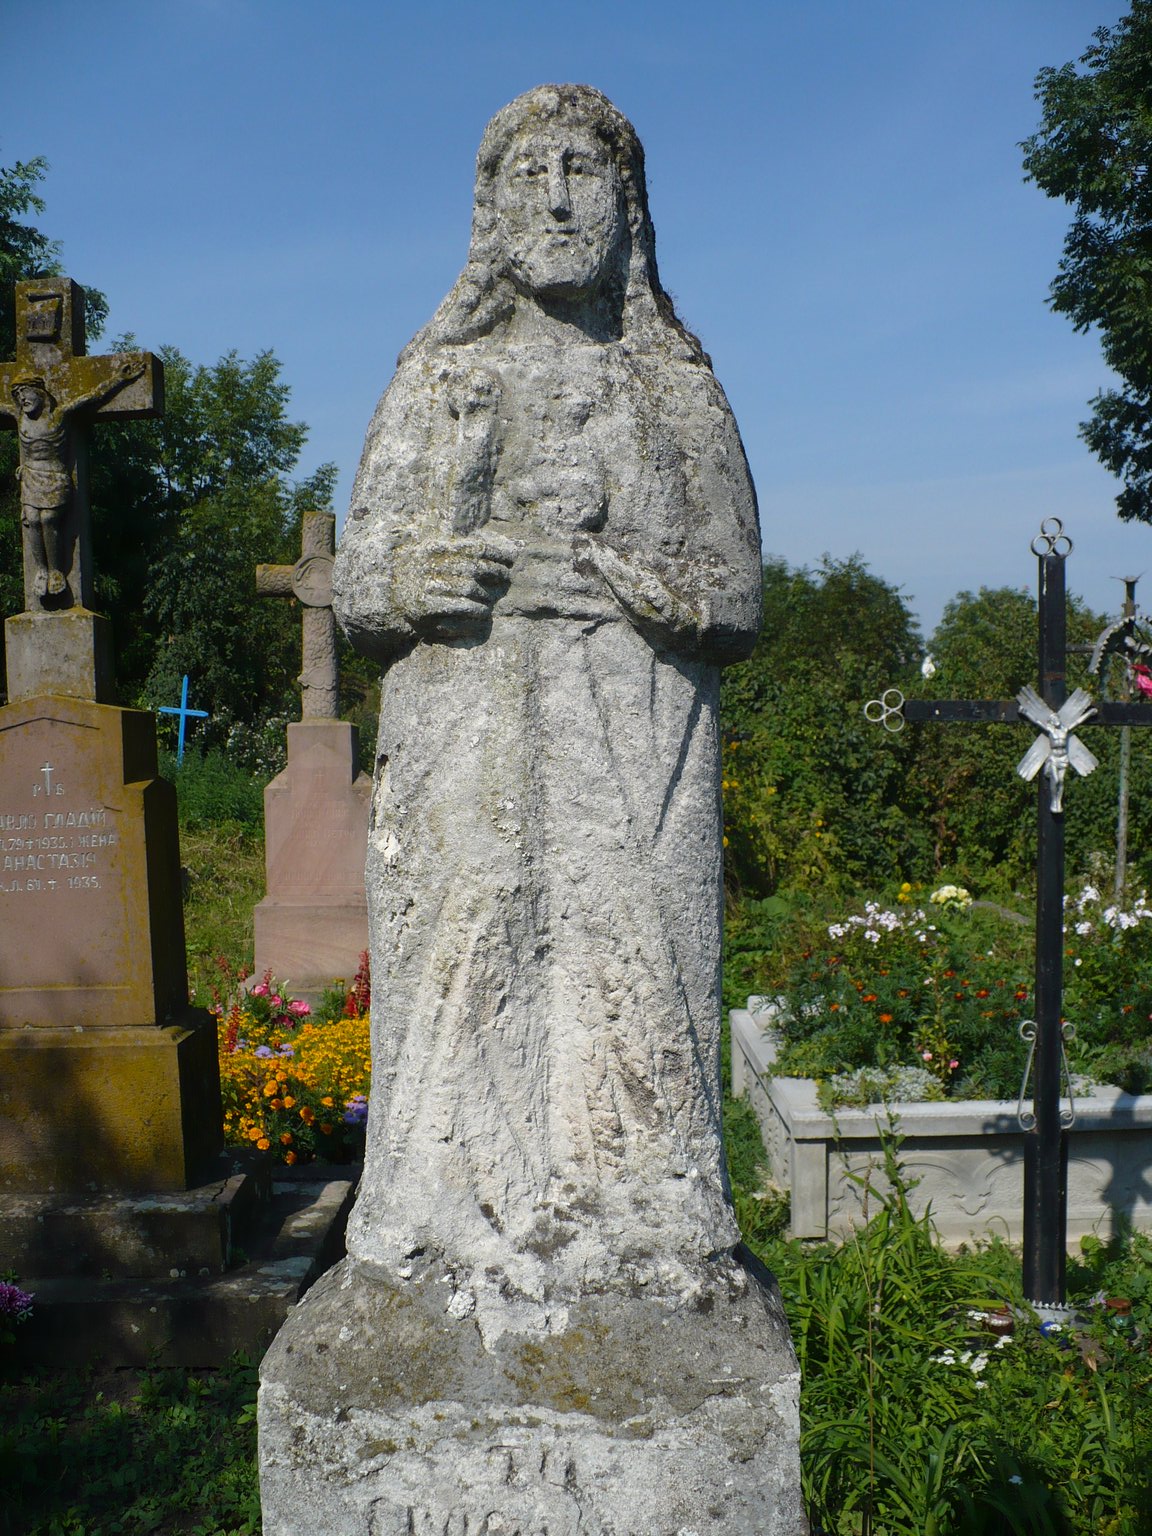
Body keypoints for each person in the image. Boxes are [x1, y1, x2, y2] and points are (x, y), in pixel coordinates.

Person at [332, 85, 763, 1307]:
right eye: (533, 175)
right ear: (490, 208)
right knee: (469, 955)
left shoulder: (672, 382)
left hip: (628, 751)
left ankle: (649, 1214)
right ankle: (437, 1213)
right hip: (468, 741)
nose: (562, 199)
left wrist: (639, 583)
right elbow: (363, 581)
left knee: (630, 970)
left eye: (587, 173)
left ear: (631, 206)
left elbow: (735, 592)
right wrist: (423, 574)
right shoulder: (436, 373)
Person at [10, 359, 143, 601]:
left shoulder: (59, 415)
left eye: (26, 393)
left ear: (40, 392)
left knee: (48, 518)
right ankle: (41, 570)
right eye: (18, 395)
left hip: (55, 476)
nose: (22, 399)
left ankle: (56, 571)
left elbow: (92, 397)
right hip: (30, 477)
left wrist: (118, 380)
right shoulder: (19, 418)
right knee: (32, 519)